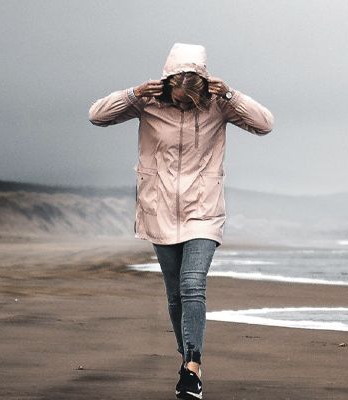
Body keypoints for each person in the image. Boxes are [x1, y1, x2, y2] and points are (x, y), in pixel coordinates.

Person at [87, 42, 273, 400]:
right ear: (167, 84)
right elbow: (97, 115)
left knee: (192, 285)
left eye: (192, 99)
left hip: (203, 210)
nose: (185, 103)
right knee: (175, 295)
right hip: (159, 209)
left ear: (203, 88)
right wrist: (132, 94)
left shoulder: (219, 107)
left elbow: (265, 124)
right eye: (179, 96)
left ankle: (192, 368)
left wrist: (231, 95)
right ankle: (187, 353)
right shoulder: (148, 103)